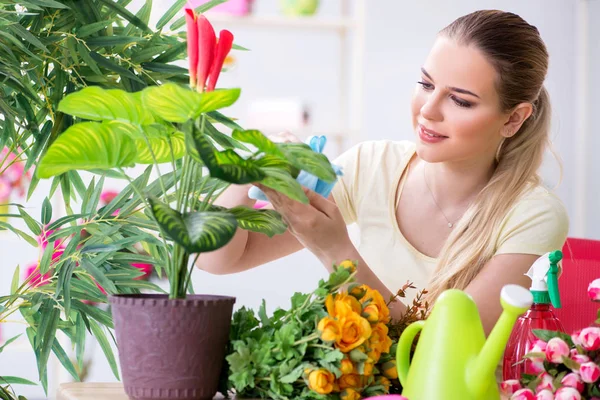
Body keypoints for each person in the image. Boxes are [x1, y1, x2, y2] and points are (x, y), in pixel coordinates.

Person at [196, 9, 569, 335]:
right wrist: (247, 172)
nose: (429, 110)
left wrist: (337, 252)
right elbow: (219, 260)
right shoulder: (371, 167)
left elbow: (435, 352)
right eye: (425, 84)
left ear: (514, 118)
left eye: (460, 100)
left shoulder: (532, 216)